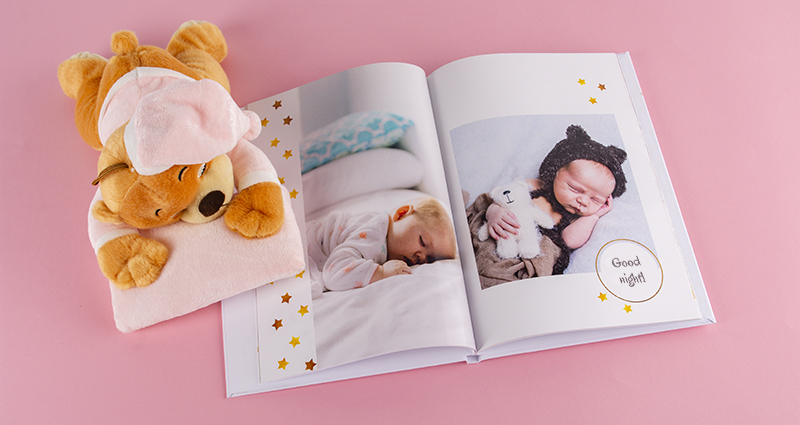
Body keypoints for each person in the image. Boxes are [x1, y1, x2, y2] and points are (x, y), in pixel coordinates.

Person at [484, 124, 628, 256]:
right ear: (556, 173)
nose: (583, 201)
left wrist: (593, 216)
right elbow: (502, 199)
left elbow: (569, 241)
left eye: (595, 199)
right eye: (575, 189)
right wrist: (494, 213)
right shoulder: (535, 186)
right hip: (504, 240)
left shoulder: (576, 219)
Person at [307, 195, 457, 295]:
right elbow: (333, 274)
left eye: (430, 259)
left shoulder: (382, 233)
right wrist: (381, 272)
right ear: (401, 214)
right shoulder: (374, 236)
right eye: (422, 242)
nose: (421, 257)